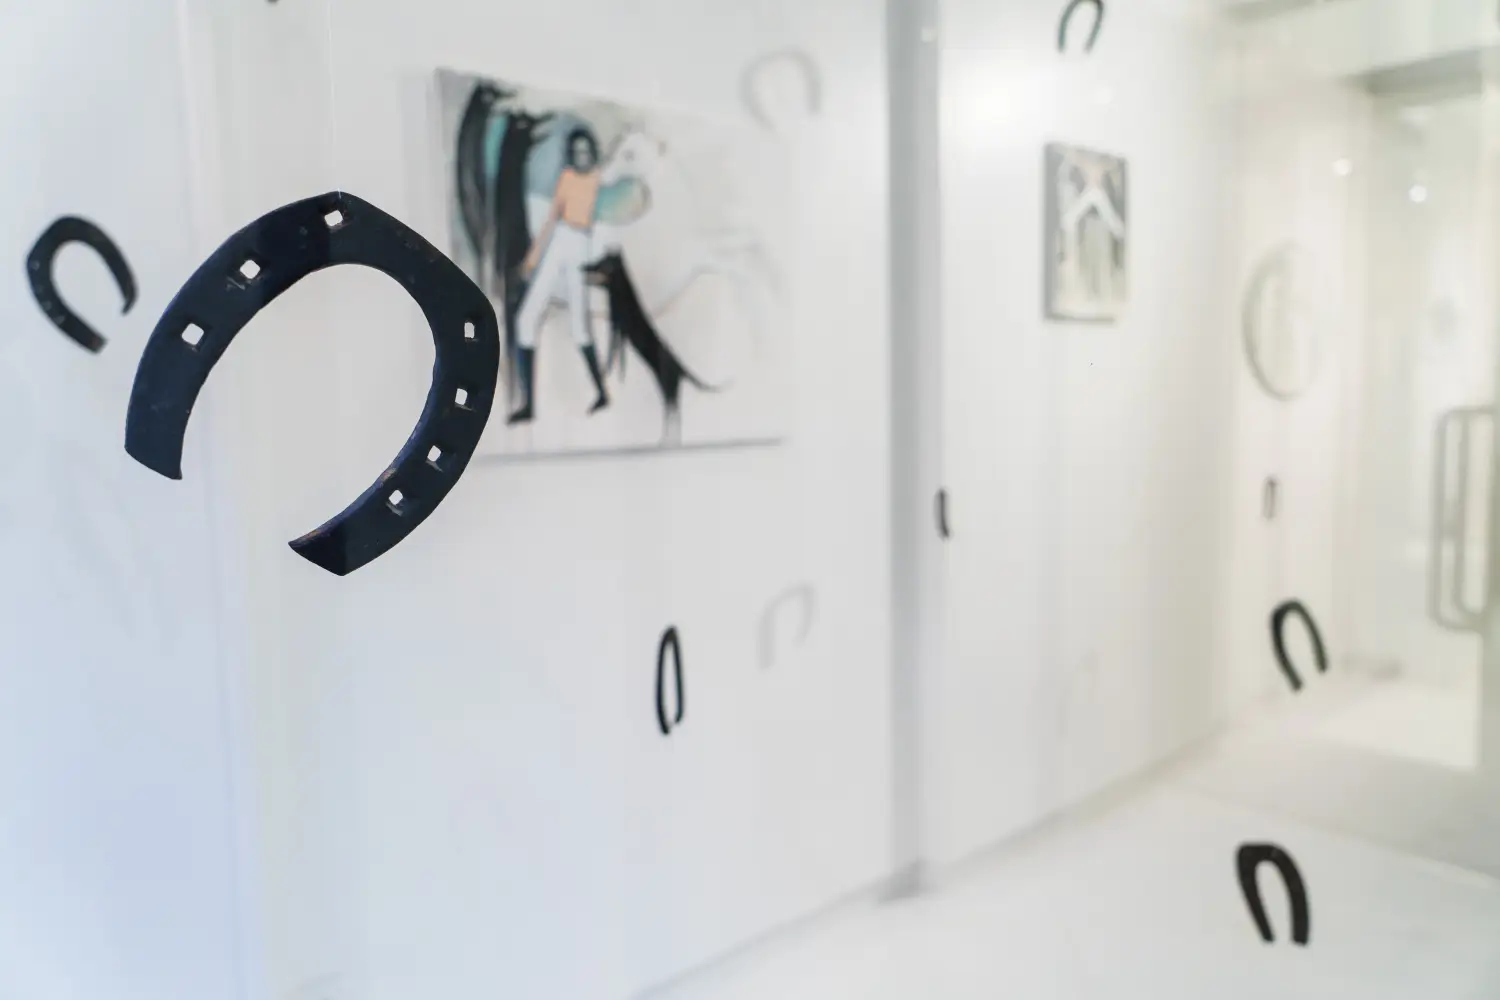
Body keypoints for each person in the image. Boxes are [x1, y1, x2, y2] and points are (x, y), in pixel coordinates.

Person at [507, 127, 611, 424]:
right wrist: (531, 260)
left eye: (586, 151)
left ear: (592, 152)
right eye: (576, 152)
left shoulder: (598, 178)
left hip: (581, 245)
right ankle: (528, 405)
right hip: (560, 240)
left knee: (580, 327)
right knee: (526, 318)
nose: (581, 157)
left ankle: (602, 393)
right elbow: (552, 217)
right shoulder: (566, 177)